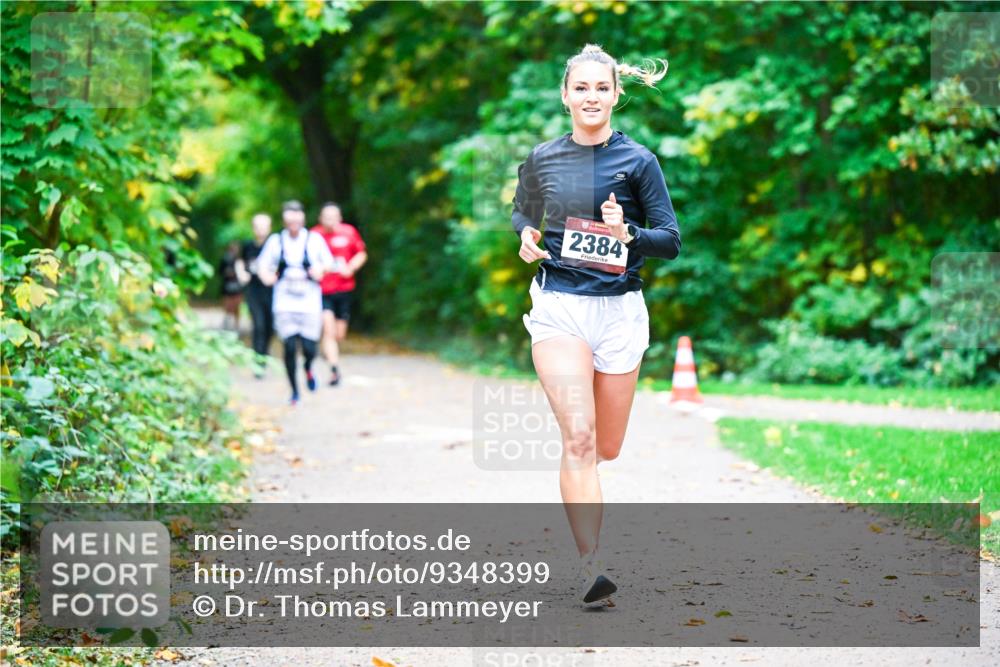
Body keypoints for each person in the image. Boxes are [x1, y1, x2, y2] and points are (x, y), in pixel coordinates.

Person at [512, 44, 679, 606]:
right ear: (566, 95)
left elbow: (670, 241)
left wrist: (626, 233)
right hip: (559, 306)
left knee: (605, 446)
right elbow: (522, 211)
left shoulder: (639, 162)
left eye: (600, 88)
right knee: (578, 438)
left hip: (619, 312)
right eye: (580, 88)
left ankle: (590, 540)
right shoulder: (542, 158)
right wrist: (527, 237)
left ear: (616, 95)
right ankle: (592, 569)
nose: (590, 97)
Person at [257, 201, 335, 405]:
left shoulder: (314, 240)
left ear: (303, 218)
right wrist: (267, 277)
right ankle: (294, 391)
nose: (293, 220)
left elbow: (328, 262)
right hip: (284, 302)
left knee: (310, 348)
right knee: (289, 347)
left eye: (297, 215)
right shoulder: (275, 241)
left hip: (309, 301)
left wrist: (321, 270)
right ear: (284, 219)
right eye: (289, 216)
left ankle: (308, 367)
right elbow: (262, 265)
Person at [312, 202, 367, 386]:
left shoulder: (349, 232)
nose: (330, 221)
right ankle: (335, 370)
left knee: (339, 334)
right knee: (328, 330)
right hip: (322, 291)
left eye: (333, 217)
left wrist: (351, 268)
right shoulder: (314, 236)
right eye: (326, 217)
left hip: (344, 289)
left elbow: (361, 254)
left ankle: (329, 351)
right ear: (321, 218)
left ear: (340, 218)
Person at [237, 213, 275, 377]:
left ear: (269, 228)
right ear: (253, 228)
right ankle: (258, 362)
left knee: (269, 327)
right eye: (258, 226)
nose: (261, 230)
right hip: (253, 292)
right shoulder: (247, 245)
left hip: (272, 292)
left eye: (264, 226)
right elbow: (239, 261)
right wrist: (242, 274)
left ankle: (264, 356)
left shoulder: (274, 246)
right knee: (258, 325)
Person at [218, 241, 243, 332]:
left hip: (237, 287)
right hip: (227, 286)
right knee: (228, 306)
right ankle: (227, 325)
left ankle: (236, 326)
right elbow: (220, 272)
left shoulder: (239, 260)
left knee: (237, 307)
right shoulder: (225, 259)